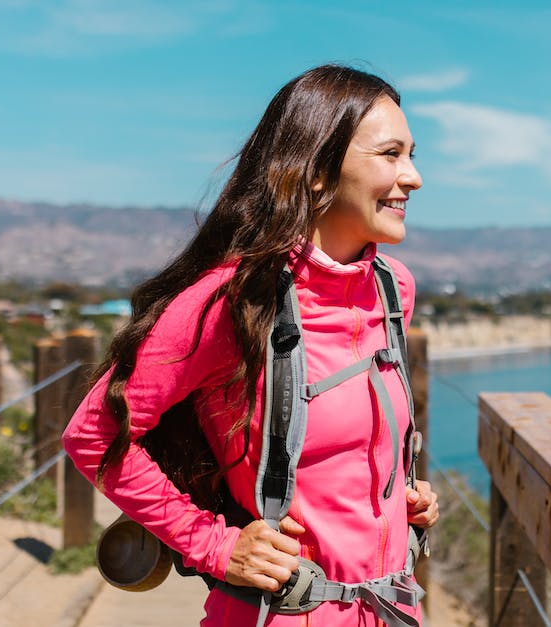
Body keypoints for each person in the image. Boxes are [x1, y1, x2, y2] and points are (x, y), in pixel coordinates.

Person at [62, 64, 439, 626]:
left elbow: (334, 456)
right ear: (317, 172)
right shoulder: (231, 301)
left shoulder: (392, 289)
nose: (413, 177)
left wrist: (398, 497)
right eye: (390, 155)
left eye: (413, 154)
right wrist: (212, 544)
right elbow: (95, 434)